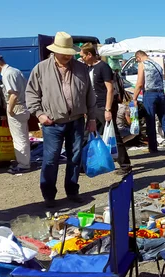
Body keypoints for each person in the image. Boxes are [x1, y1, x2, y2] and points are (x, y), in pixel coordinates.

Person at [25, 32, 97, 208]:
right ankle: (49, 195)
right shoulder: (41, 69)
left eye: (69, 52)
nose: (67, 56)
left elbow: (89, 94)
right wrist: (40, 114)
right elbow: (31, 94)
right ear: (55, 51)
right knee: (50, 160)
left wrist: (92, 117)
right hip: (53, 123)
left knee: (75, 158)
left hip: (77, 120)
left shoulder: (81, 69)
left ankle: (72, 191)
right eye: (63, 52)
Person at [79, 43, 132, 175]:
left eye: (83, 56)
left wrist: (107, 109)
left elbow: (109, 89)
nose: (81, 59)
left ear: (89, 55)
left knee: (114, 135)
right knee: (86, 135)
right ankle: (82, 164)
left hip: (103, 105)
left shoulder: (103, 67)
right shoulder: (87, 68)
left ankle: (125, 165)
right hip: (92, 106)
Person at [0, 55, 31, 173]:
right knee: (23, 136)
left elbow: (13, 94)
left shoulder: (7, 74)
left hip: (16, 107)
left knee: (19, 138)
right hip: (23, 106)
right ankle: (24, 161)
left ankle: (23, 165)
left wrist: (9, 110)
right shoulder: (16, 71)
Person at [132, 50, 165, 153]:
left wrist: (134, 98)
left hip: (150, 94)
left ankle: (153, 147)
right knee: (164, 119)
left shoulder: (143, 64)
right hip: (161, 93)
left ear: (138, 57)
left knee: (150, 120)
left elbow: (139, 83)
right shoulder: (157, 65)